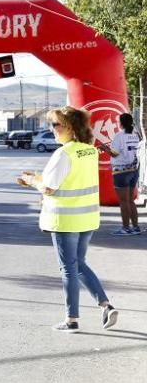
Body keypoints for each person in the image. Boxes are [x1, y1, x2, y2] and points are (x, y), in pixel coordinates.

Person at [16, 106, 118, 333]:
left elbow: (50, 188)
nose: (51, 129)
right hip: (87, 218)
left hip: (65, 220)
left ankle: (71, 319)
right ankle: (106, 305)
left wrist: (29, 180)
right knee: (78, 264)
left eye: (55, 125)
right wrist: (36, 177)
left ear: (70, 127)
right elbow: (67, 180)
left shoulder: (63, 153)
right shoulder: (88, 151)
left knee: (68, 268)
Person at [101, 112, 141, 236]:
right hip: (134, 170)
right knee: (130, 200)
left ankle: (125, 228)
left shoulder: (119, 136)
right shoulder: (136, 134)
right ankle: (135, 227)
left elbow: (115, 154)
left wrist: (105, 148)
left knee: (123, 201)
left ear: (121, 123)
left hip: (121, 171)